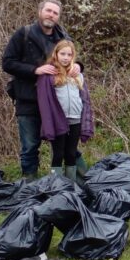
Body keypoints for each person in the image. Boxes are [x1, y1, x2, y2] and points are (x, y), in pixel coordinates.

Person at [2, 0, 82, 179]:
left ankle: (74, 180)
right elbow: (7, 63)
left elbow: (72, 60)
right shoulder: (23, 34)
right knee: (30, 146)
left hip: (57, 103)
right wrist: (35, 70)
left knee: (66, 145)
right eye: (48, 11)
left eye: (55, 13)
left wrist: (79, 66)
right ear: (40, 12)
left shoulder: (63, 37)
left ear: (58, 17)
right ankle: (29, 184)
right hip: (28, 100)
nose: (51, 15)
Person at [36, 41, 94, 183]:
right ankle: (56, 185)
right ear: (56, 54)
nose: (66, 57)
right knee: (58, 153)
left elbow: (84, 99)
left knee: (71, 153)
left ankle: (71, 186)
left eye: (69, 54)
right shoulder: (50, 75)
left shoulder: (77, 75)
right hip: (58, 121)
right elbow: (45, 100)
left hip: (75, 119)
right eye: (63, 54)